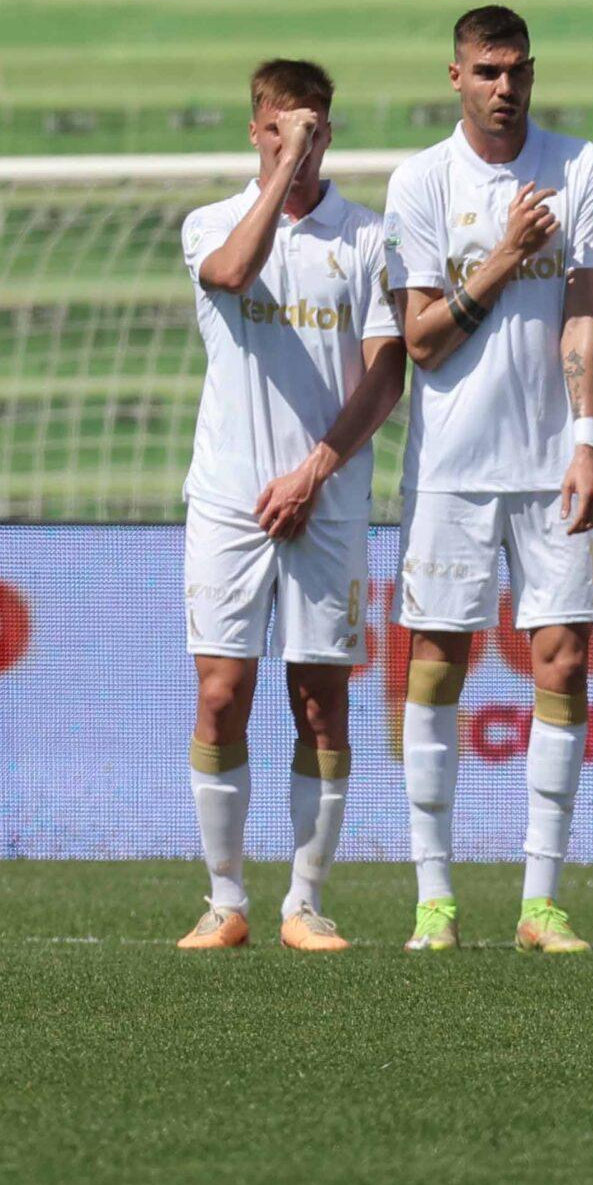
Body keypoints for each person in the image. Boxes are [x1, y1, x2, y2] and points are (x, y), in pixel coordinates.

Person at [384, 6, 593, 955]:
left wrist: (589, 438)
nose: (504, 85)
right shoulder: (420, 182)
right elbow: (423, 341)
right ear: (455, 76)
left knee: (562, 661)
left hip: (549, 460)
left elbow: (585, 315)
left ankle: (540, 901)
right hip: (450, 465)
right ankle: (433, 899)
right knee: (436, 663)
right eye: (486, 70)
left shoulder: (584, 168)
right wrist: (505, 257)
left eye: (517, 68)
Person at [175, 59, 406, 953]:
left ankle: (305, 902)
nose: (298, 142)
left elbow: (387, 373)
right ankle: (224, 899)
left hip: (329, 498)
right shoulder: (211, 222)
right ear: (256, 132)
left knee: (320, 699)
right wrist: (279, 179)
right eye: (280, 127)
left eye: (312, 128)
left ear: (333, 133)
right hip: (229, 500)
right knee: (222, 691)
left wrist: (316, 469)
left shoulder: (367, 238)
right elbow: (234, 271)